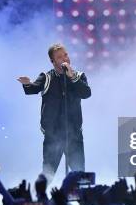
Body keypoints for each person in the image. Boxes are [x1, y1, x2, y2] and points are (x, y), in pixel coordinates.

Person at [18, 43, 91, 181]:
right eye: (59, 57)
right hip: (53, 136)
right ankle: (41, 199)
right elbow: (33, 88)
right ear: (52, 61)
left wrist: (72, 77)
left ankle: (84, 201)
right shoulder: (47, 77)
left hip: (74, 135)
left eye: (66, 55)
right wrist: (27, 83)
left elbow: (86, 93)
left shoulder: (79, 76)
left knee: (79, 174)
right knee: (47, 174)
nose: (65, 59)